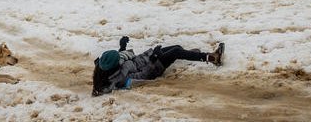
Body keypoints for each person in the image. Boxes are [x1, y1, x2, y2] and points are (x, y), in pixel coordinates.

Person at [91, 36, 224, 96]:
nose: (121, 57)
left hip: (147, 58)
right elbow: (143, 76)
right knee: (176, 52)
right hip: (154, 67)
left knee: (177, 48)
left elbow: (119, 59)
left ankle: (190, 55)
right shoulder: (119, 79)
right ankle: (212, 58)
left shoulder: (103, 65)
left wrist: (122, 46)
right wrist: (154, 58)